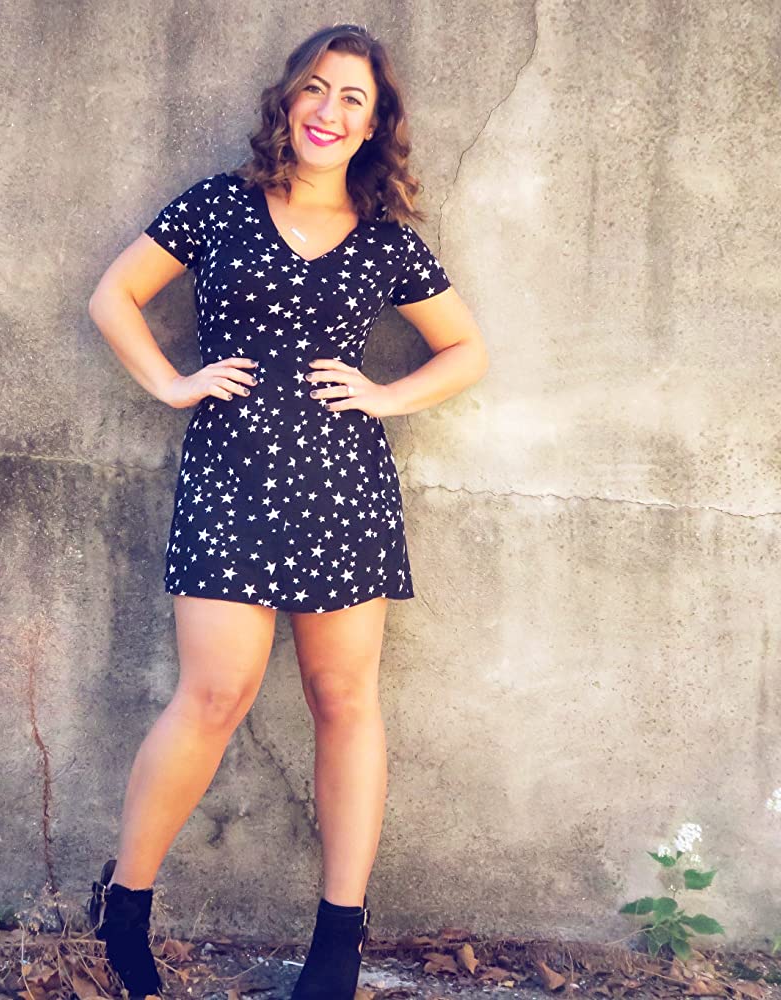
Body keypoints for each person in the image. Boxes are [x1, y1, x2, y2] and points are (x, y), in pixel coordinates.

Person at [84, 21, 488, 1000]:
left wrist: (386, 396)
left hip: (343, 486)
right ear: (289, 99)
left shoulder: (385, 239)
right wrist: (172, 382)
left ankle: (338, 941)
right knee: (214, 695)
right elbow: (114, 297)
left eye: (352, 99)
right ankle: (124, 904)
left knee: (343, 700)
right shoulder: (221, 204)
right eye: (316, 88)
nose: (328, 111)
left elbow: (465, 350)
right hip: (230, 474)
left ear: (371, 125)